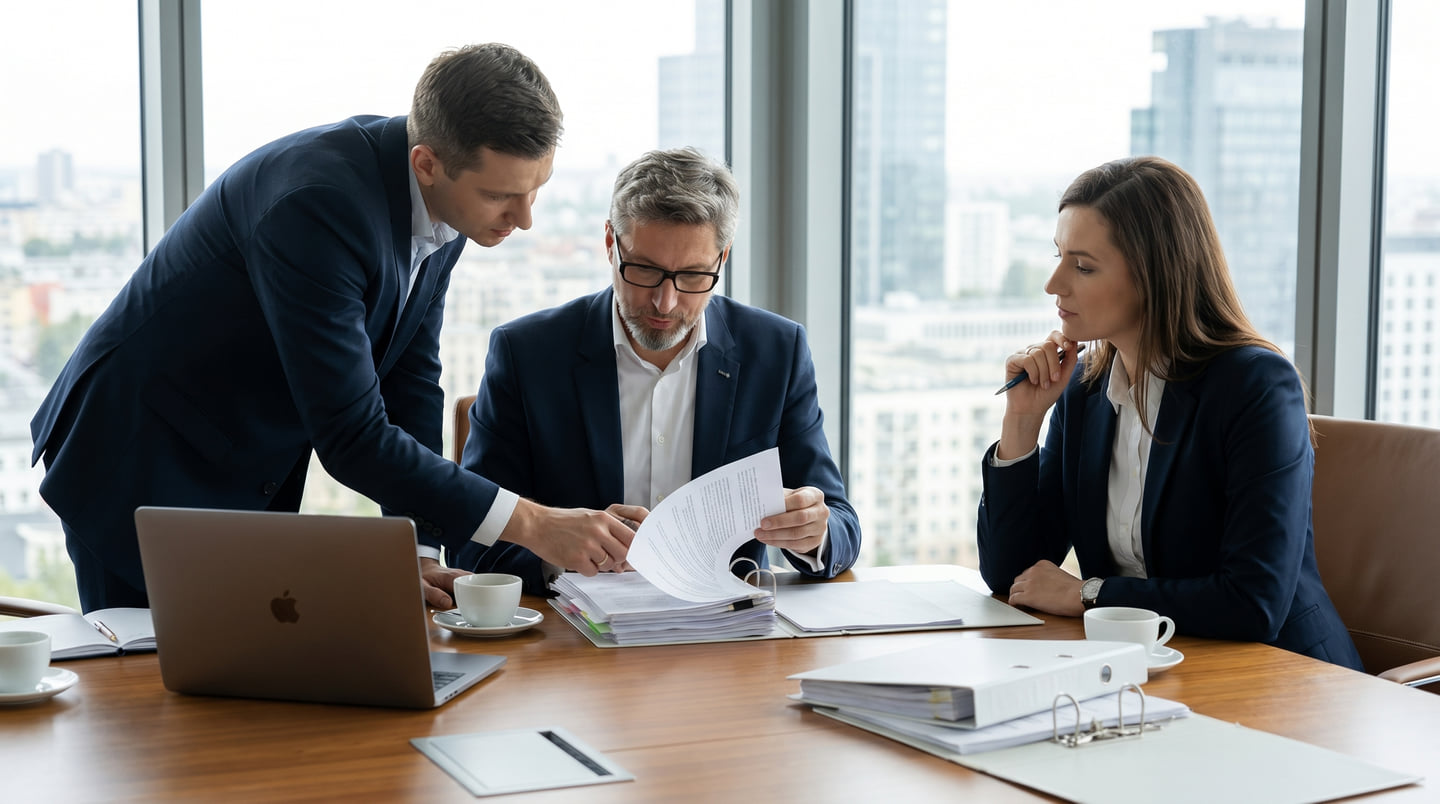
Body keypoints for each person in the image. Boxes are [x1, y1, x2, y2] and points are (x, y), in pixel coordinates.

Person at [30, 44, 635, 613]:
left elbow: (409, 383)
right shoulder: (317, 203)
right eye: (503, 196)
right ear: (427, 163)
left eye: (536, 190)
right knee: (155, 697)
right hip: (141, 459)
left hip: (238, 458)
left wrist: (415, 549)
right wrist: (534, 523)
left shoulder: (452, 204)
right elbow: (353, 435)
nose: (524, 219)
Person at [977, 156, 1363, 669]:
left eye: (1083, 266)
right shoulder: (1085, 392)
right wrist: (1022, 423)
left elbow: (1253, 602)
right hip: (1145, 672)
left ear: (1154, 274)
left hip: (1277, 676)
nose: (1054, 284)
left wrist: (1091, 594)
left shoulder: (1256, 386)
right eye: (1059, 256)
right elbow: (1012, 577)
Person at [449, 147, 861, 595]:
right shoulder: (526, 354)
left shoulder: (777, 352)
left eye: (691, 276)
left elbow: (839, 524)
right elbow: (472, 537)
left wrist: (813, 532)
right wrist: (556, 552)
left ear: (721, 259)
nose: (665, 303)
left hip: (726, 640)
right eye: (644, 271)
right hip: (575, 643)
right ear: (611, 244)